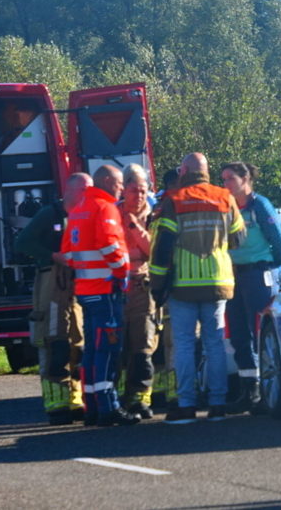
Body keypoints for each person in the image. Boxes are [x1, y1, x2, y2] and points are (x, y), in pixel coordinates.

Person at [150, 153, 246, 424]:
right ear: (207, 171)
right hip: (218, 281)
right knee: (214, 344)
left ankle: (187, 405)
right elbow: (239, 238)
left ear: (183, 171)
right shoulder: (224, 197)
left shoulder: (175, 200)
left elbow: (163, 247)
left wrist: (157, 286)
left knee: (183, 345)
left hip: (183, 284)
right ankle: (217, 405)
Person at [61, 164, 140, 427]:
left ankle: (92, 406)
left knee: (93, 351)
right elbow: (108, 243)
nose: (120, 188)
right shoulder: (104, 206)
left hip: (86, 290)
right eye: (119, 183)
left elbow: (68, 253)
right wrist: (121, 271)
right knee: (108, 349)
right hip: (105, 290)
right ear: (106, 181)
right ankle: (108, 407)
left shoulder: (78, 209)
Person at [16, 172, 91, 426]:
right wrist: (53, 256)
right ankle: (56, 406)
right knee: (54, 344)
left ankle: (74, 401)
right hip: (51, 282)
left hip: (76, 285)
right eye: (85, 190)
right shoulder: (50, 214)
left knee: (76, 344)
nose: (88, 195)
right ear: (70, 190)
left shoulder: (85, 215)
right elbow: (23, 241)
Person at [221, 161, 281, 414]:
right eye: (223, 179)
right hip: (232, 277)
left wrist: (269, 268)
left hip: (257, 275)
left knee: (260, 332)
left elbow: (278, 243)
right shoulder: (226, 207)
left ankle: (270, 391)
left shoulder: (259, 205)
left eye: (230, 178)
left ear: (245, 178)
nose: (225, 184)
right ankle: (250, 391)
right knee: (239, 335)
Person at [117, 164, 157, 419]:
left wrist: (133, 226)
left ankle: (141, 400)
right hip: (117, 289)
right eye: (134, 190)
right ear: (123, 190)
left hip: (143, 288)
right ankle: (120, 398)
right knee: (118, 348)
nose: (139, 196)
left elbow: (152, 249)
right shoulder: (111, 213)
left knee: (143, 347)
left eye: (142, 191)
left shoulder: (155, 215)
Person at [151, 167, 178, 408]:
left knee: (165, 340)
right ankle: (166, 392)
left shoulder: (156, 206)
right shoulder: (166, 208)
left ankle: (165, 391)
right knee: (164, 340)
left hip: (158, 282)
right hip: (164, 282)